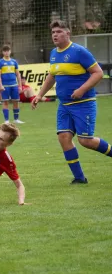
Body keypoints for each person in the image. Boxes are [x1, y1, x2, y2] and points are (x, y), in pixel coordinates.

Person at [32, 20, 112, 184]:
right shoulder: (54, 53)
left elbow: (97, 73)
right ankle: (79, 178)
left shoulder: (79, 51)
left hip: (84, 104)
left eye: (59, 31)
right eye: (53, 32)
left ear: (68, 33)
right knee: (63, 137)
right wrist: (39, 95)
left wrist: (82, 89)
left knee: (85, 141)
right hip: (64, 105)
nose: (55, 35)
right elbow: (52, 76)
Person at [0, 45, 24, 124]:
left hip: (14, 85)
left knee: (16, 101)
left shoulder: (14, 62)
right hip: (5, 86)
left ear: (10, 51)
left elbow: (18, 74)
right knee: (5, 102)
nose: (6, 52)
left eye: (8, 51)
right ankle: (6, 120)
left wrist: (20, 86)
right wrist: (0, 85)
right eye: (5, 51)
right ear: (2, 52)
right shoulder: (0, 62)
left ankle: (16, 119)